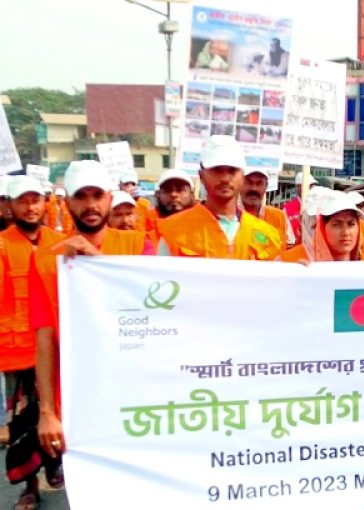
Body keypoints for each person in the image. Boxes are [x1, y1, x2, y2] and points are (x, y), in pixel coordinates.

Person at [33, 160, 153, 475]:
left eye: (97, 195)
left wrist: (96, 260)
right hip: (78, 402)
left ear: (109, 198)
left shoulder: (139, 245)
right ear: (66, 202)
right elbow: (45, 341)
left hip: (137, 394)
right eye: (81, 196)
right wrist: (47, 412)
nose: (90, 205)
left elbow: (153, 307)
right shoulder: (45, 259)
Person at [0, 177, 67, 510]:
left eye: (35, 200)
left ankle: (56, 466)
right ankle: (29, 485)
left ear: (45, 203)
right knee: (23, 425)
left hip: (56, 344)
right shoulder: (2, 245)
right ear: (9, 206)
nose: (30, 207)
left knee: (58, 413)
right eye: (22, 201)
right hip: (17, 351)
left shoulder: (62, 243)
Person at [157, 135, 282, 260]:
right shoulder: (172, 231)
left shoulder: (268, 235)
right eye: (217, 170)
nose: (225, 178)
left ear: (243, 177)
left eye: (232, 170)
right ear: (201, 176)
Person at [278, 189, 362, 263]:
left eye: (351, 224)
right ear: (321, 228)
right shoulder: (289, 261)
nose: (346, 232)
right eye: (337, 225)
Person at [241, 168, 295, 251]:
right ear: (239, 184)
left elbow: (290, 249)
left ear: (266, 186)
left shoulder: (280, 217)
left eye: (259, 183)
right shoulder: (230, 216)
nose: (254, 188)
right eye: (248, 182)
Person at [283, 172, 318, 242]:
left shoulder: (318, 207)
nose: (312, 188)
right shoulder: (287, 209)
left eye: (313, 185)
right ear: (298, 187)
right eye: (309, 185)